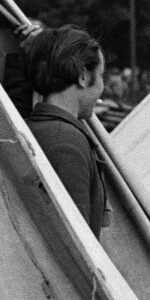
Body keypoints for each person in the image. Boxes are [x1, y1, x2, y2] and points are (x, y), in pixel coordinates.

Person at [22, 25, 109, 237]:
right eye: (101, 75)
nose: (102, 86)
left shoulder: (33, 128)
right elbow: (77, 244)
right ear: (82, 76)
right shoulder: (67, 142)